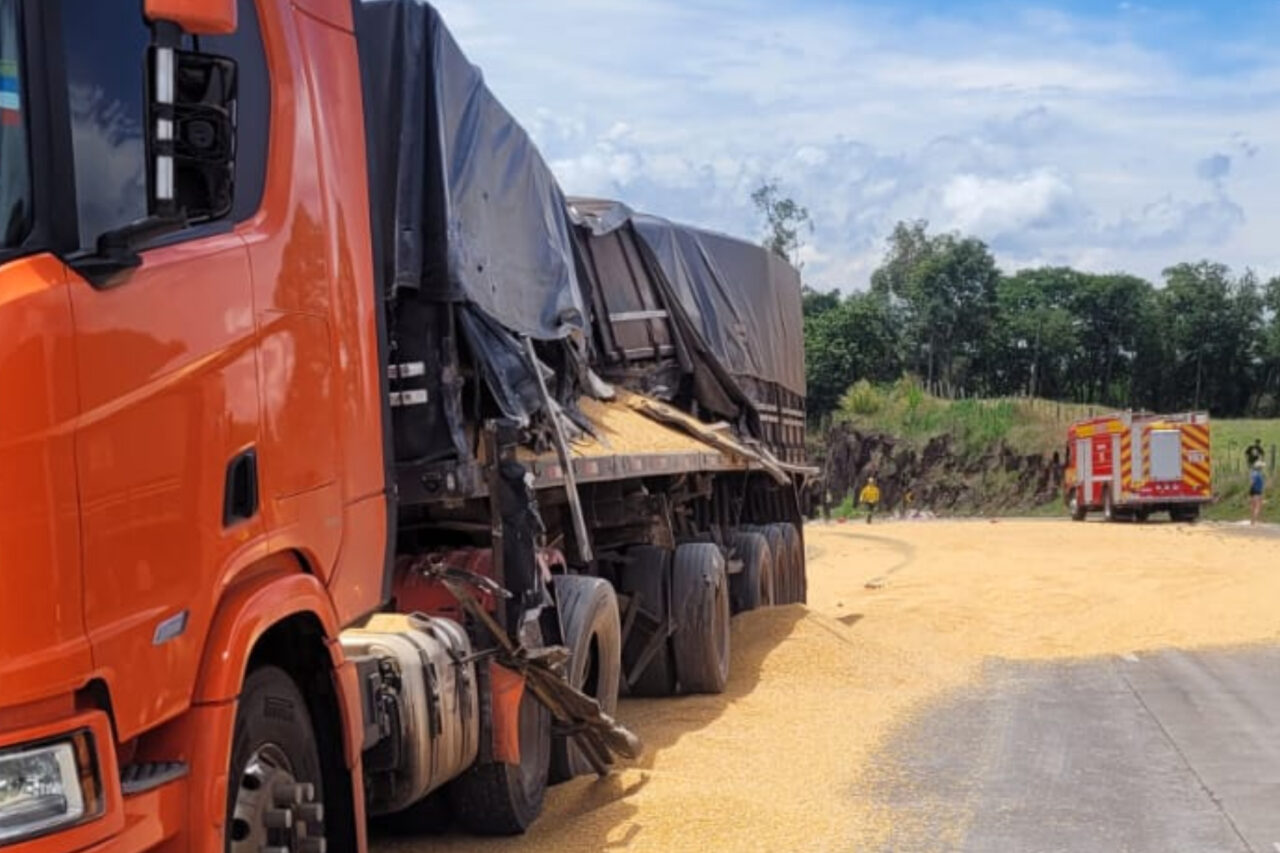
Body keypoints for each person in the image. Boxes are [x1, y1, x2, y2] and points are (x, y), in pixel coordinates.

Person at [1249, 460, 1265, 525]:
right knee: (1258, 506)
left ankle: (1252, 520)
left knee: (1253, 506)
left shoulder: (1253, 473)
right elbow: (1252, 482)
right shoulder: (1257, 474)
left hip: (1253, 490)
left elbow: (1252, 481)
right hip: (1257, 491)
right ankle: (1254, 521)